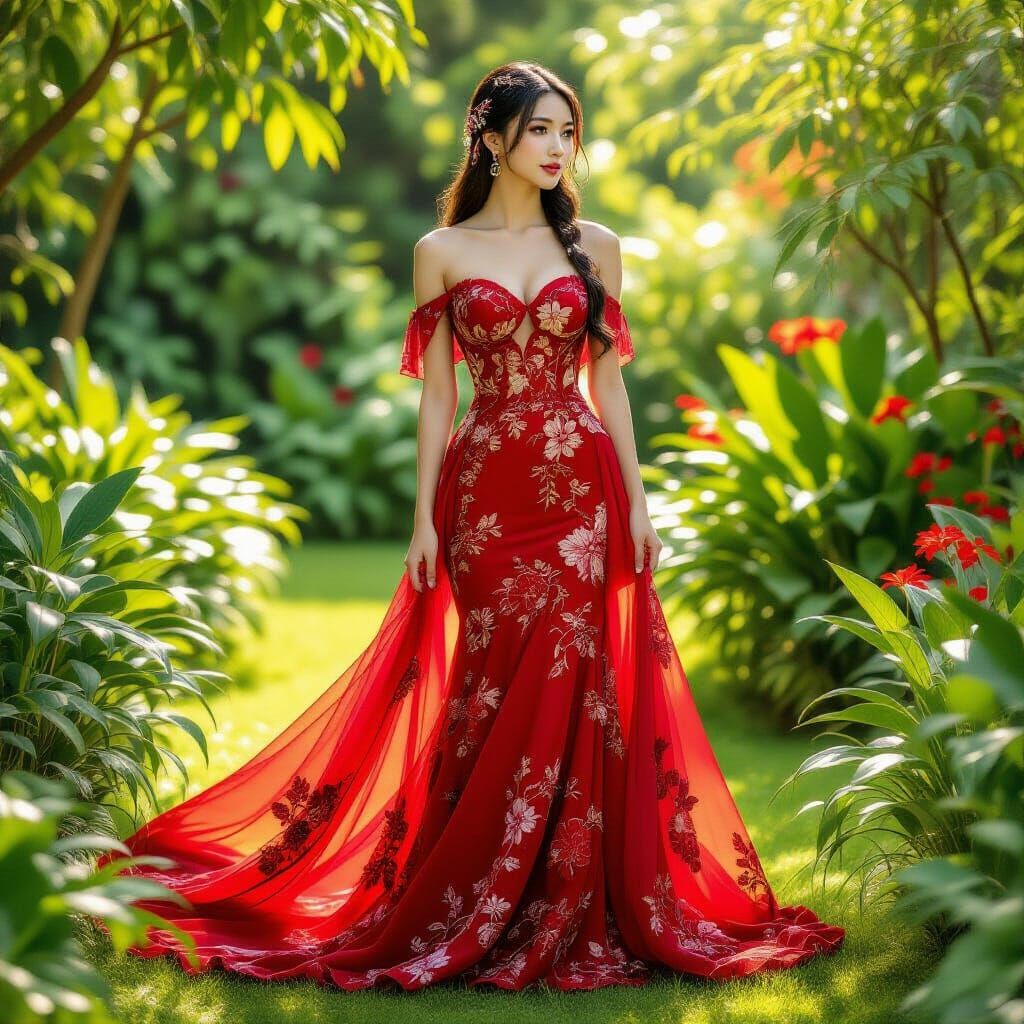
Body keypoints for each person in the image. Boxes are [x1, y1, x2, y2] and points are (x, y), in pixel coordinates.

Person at [97, 61, 844, 992]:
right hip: (486, 494)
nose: (559, 148)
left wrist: (640, 504)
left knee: (579, 676)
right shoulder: (440, 250)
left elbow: (608, 382)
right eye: (541, 130)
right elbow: (440, 396)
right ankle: (470, 889)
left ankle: (574, 893)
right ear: (492, 139)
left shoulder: (597, 246)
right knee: (493, 681)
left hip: (580, 489)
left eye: (568, 132)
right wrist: (421, 520)